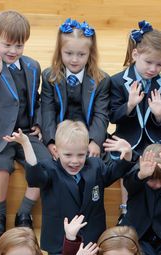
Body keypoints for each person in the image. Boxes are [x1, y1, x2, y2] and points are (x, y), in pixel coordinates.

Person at [0, 10, 51, 238]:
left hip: (25, 133)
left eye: (19, 46)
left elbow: (37, 97)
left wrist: (38, 123)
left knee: (44, 166)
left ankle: (24, 212)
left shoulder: (32, 66)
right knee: (1, 166)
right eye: (7, 45)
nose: (13, 51)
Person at [7, 121, 133, 255]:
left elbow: (115, 172)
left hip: (92, 244)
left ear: (87, 151)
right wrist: (26, 145)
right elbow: (35, 178)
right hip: (60, 246)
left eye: (81, 155)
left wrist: (128, 154)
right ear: (56, 151)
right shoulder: (50, 169)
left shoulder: (96, 166)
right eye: (68, 155)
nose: (75, 161)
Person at [109, 20, 161, 222]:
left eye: (159, 65)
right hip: (127, 137)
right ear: (135, 55)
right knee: (126, 162)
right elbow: (113, 116)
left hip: (156, 138)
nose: (153, 69)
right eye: (149, 62)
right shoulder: (117, 81)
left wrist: (159, 115)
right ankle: (124, 209)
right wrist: (129, 105)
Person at [40, 18, 110, 157]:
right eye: (69, 53)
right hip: (60, 136)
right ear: (60, 51)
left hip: (87, 137)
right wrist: (51, 141)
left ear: (90, 53)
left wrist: (94, 141)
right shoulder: (49, 76)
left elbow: (100, 114)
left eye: (81, 54)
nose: (74, 60)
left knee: (99, 165)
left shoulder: (101, 80)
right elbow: (48, 110)